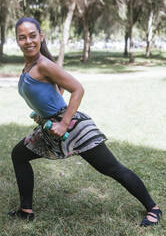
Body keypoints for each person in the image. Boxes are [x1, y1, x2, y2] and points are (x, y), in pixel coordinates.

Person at [8, 17, 162, 227]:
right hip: (49, 128)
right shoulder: (29, 66)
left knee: (111, 168)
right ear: (17, 40)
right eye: (22, 37)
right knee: (19, 154)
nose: (28, 41)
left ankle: (153, 207)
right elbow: (56, 90)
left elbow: (77, 89)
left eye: (32, 36)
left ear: (40, 36)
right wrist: (45, 114)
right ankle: (26, 210)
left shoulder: (44, 64)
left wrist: (62, 123)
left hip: (73, 128)